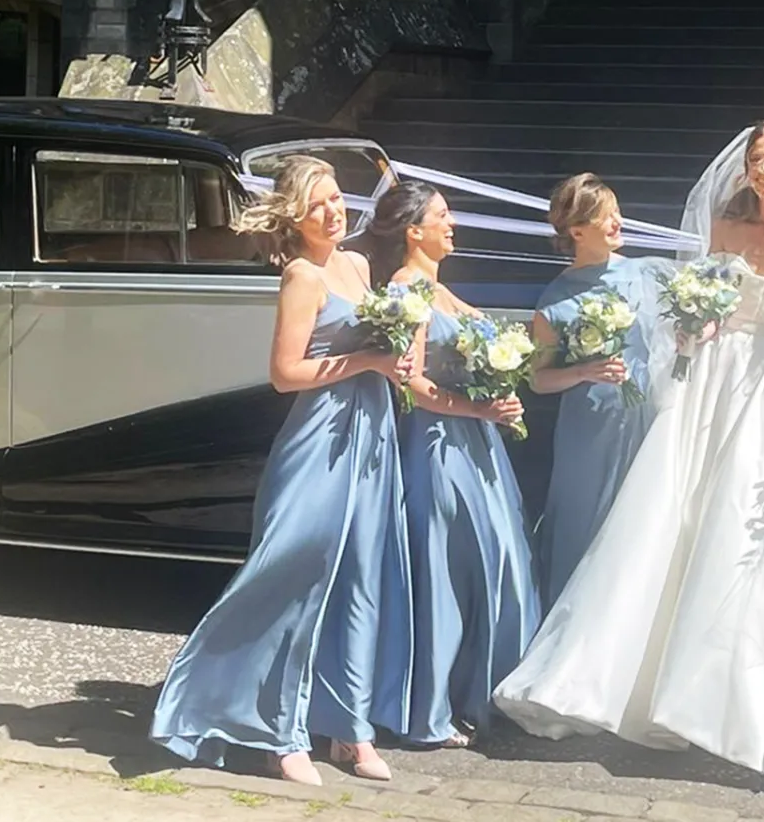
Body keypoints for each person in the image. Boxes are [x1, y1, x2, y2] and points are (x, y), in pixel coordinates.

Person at [492, 122, 764, 777]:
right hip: (716, 375)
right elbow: (696, 310)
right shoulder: (723, 227)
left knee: (744, 514)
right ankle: (634, 679)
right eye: (756, 160)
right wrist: (696, 324)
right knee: (674, 514)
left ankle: (728, 692)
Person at [149, 156, 414, 786]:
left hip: (371, 435)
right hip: (320, 438)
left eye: (336, 198)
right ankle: (274, 732)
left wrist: (395, 361)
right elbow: (285, 373)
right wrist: (369, 362)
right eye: (318, 203)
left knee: (360, 579)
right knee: (291, 576)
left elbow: (377, 352)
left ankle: (350, 729)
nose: (333, 211)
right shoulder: (301, 274)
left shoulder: (357, 265)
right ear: (295, 216)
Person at [363, 181, 543, 749]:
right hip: (438, 443)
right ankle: (429, 709)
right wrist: (478, 406)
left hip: (475, 441)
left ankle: (484, 691)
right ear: (413, 230)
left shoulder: (441, 288)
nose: (452, 223)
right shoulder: (406, 289)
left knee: (497, 563)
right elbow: (409, 382)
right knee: (447, 569)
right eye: (442, 215)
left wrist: (498, 394)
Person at [527, 174, 663, 607]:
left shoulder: (646, 273)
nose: (616, 222)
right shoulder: (556, 298)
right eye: (604, 217)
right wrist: (583, 370)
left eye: (616, 211)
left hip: (648, 417)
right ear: (577, 231)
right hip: (590, 428)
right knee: (586, 523)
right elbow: (538, 378)